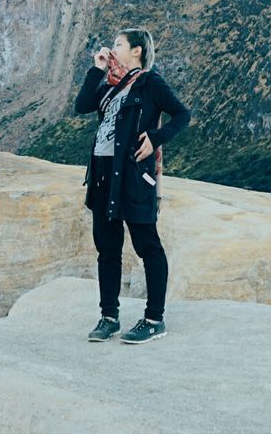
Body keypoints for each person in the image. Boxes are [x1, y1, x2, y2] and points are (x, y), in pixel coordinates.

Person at [74, 27, 190, 345]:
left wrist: (155, 138)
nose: (113, 48)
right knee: (107, 249)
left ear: (136, 50)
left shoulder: (149, 82)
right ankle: (109, 317)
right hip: (101, 175)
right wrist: (97, 69)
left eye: (118, 44)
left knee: (147, 245)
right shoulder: (112, 86)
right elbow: (81, 105)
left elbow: (182, 114)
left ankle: (154, 319)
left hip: (132, 176)